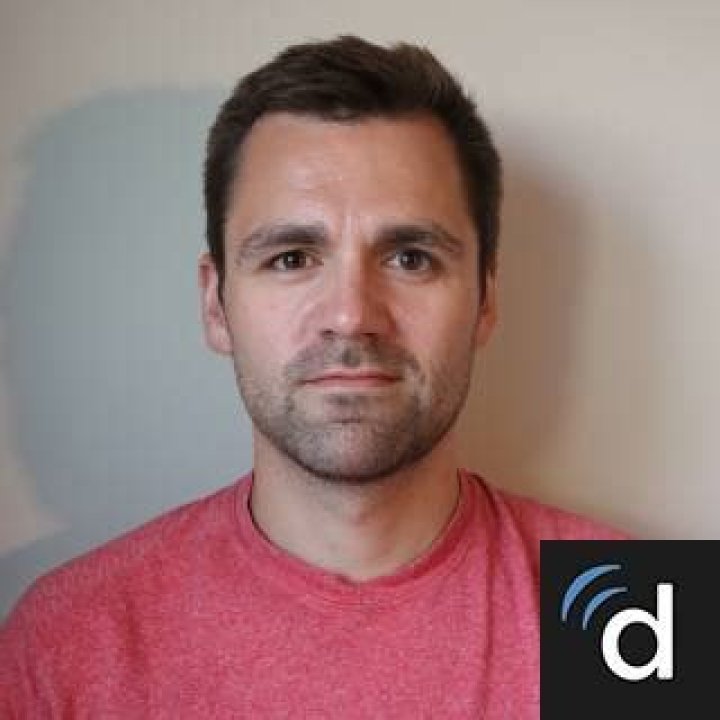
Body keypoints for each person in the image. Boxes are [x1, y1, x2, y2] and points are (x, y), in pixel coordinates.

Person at [0, 35, 626, 718]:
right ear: (216, 305)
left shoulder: (625, 611)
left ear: (485, 301)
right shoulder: (67, 641)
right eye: (293, 258)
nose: (351, 316)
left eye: (411, 258)